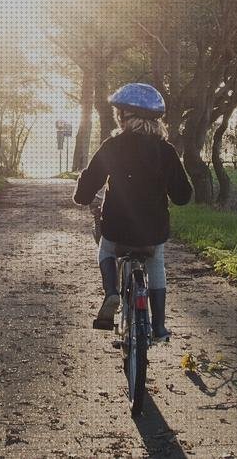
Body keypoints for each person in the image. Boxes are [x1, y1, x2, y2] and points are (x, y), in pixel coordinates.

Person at [73, 83, 192, 337]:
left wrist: (83, 189)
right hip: (153, 232)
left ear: (123, 116)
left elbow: (84, 193)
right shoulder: (166, 151)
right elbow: (183, 196)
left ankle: (112, 293)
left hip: (116, 229)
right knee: (156, 262)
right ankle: (159, 326)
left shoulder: (112, 146)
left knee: (105, 250)